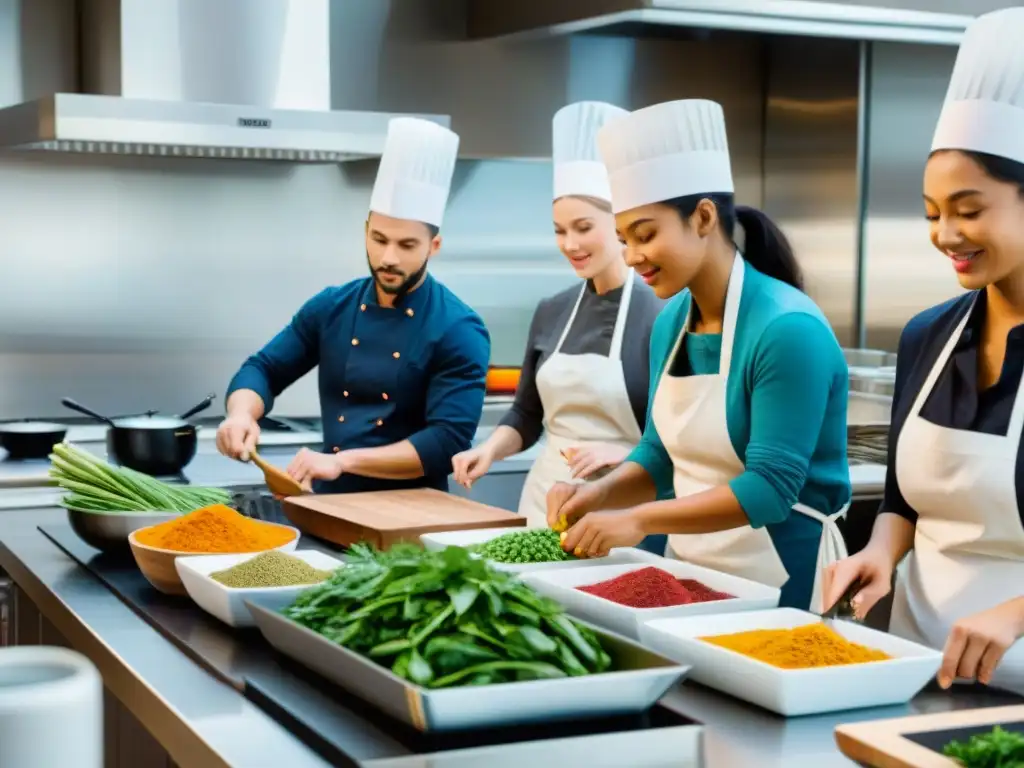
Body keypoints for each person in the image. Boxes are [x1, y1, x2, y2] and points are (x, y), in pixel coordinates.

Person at [546, 99, 851, 611]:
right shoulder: (672, 321)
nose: (632, 256)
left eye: (646, 235)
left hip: (782, 576)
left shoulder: (786, 329)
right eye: (624, 239)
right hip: (689, 571)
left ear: (704, 216)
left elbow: (769, 490)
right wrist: (601, 493)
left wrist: (638, 519)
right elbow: (659, 454)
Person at [825, 8, 1024, 694]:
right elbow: (905, 501)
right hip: (912, 669)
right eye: (932, 211)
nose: (945, 234)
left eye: (968, 210)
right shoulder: (927, 334)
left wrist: (1018, 613)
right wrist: (879, 551)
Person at [216, 118, 490, 494]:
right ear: (365, 232)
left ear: (434, 246)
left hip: (414, 514)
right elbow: (263, 368)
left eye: (407, 245)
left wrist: (342, 460)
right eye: (379, 239)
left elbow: (446, 442)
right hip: (331, 503)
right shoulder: (332, 308)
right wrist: (240, 414)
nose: (388, 257)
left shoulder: (458, 328)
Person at [451, 102, 665, 551]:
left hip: (625, 515)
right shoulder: (551, 309)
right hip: (543, 507)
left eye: (583, 227)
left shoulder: (662, 312)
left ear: (619, 221)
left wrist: (627, 454)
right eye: (559, 230)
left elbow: (683, 442)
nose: (570, 244)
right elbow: (527, 415)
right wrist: (488, 449)